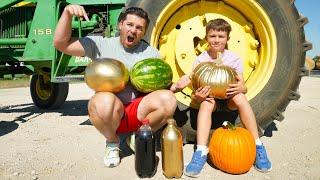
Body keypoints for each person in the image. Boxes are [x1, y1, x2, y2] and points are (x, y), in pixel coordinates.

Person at [54, 5, 177, 168]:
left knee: (169, 100)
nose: (133, 30)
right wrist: (67, 14)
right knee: (102, 101)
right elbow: (60, 44)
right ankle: (112, 142)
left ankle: (138, 137)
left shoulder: (151, 53)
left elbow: (160, 90)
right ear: (120, 25)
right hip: (111, 111)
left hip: (138, 111)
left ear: (144, 32)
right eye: (130, 25)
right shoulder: (99, 45)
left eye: (139, 28)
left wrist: (175, 88)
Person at [170, 18, 272, 177]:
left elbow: (243, 86)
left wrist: (241, 88)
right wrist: (197, 96)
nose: (216, 40)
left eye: (220, 36)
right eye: (212, 36)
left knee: (240, 98)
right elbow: (196, 88)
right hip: (212, 99)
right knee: (205, 105)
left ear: (227, 39)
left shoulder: (234, 59)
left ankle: (258, 145)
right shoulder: (201, 60)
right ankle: (201, 151)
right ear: (206, 38)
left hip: (229, 99)